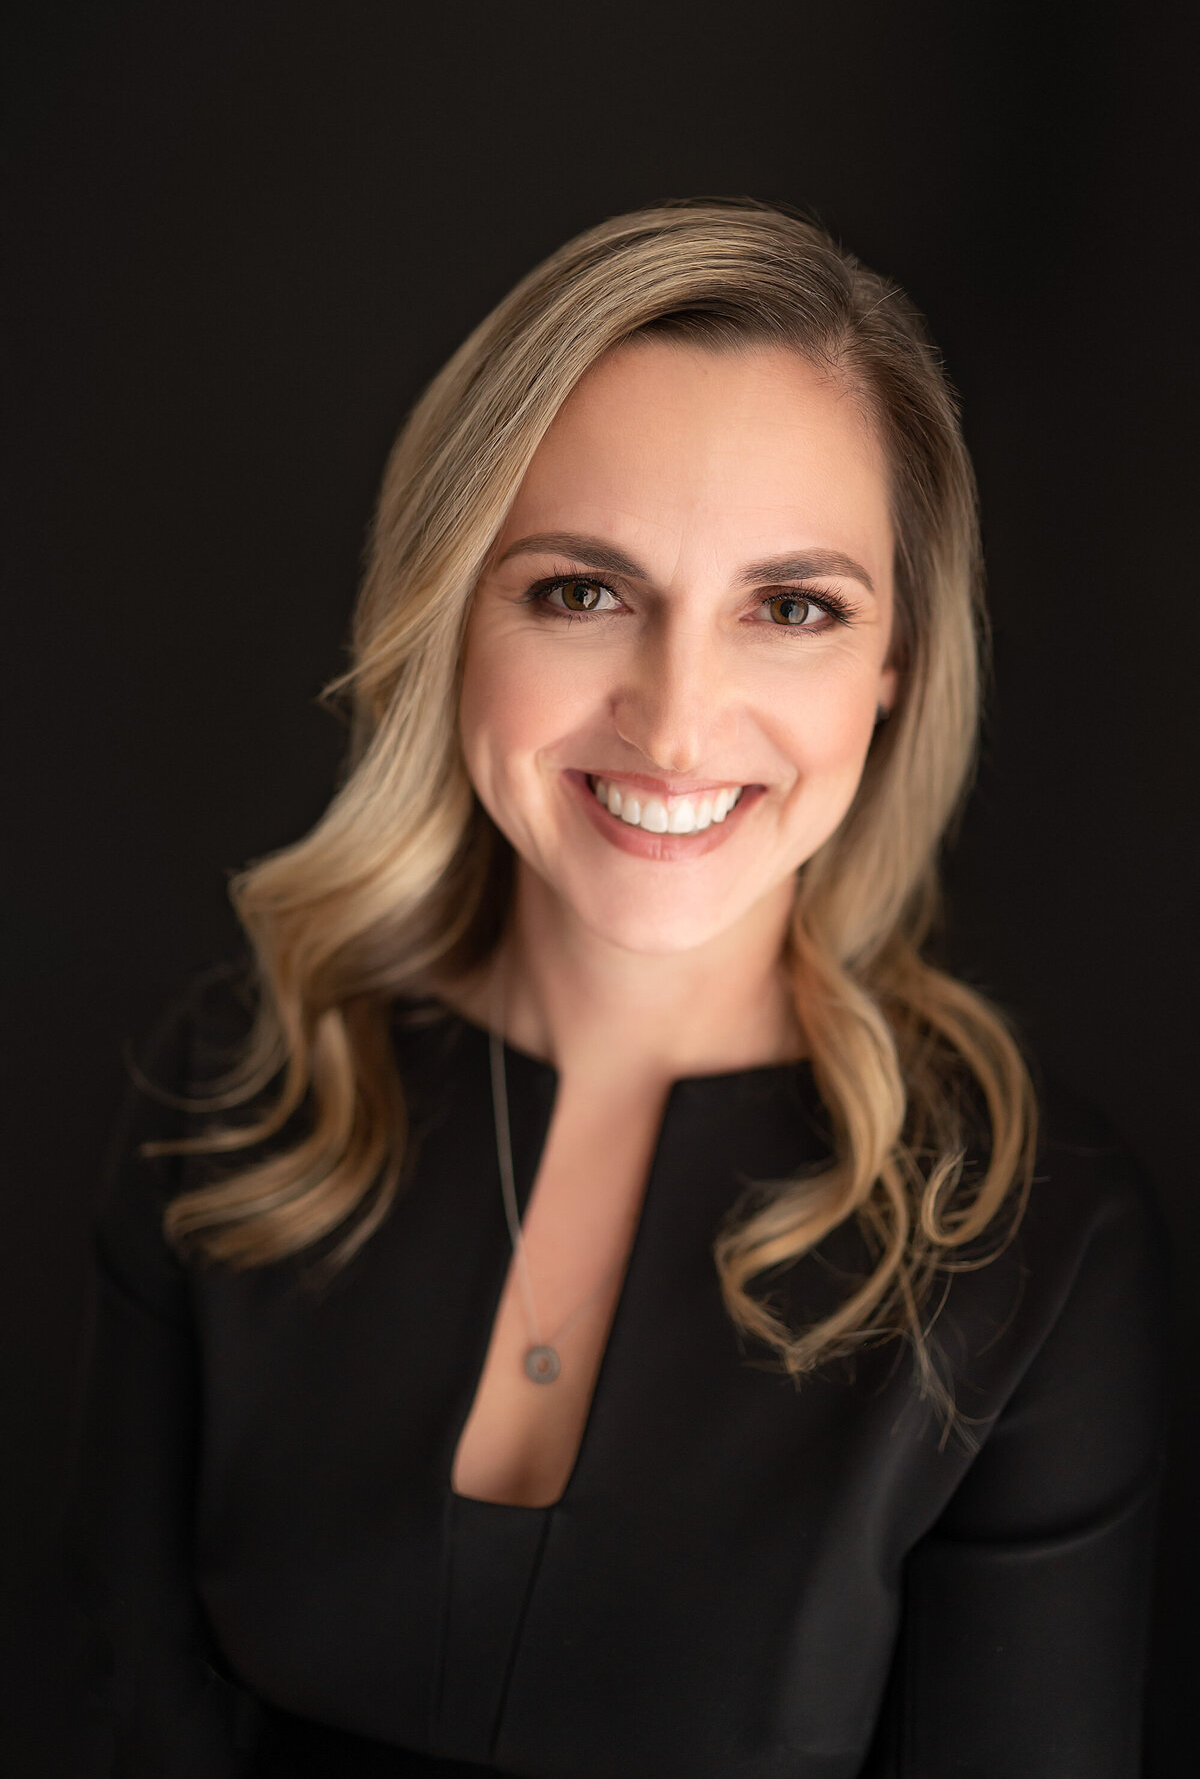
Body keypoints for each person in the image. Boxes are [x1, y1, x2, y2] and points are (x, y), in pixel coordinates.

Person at [69, 198, 1171, 1778]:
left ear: (896, 671)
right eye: (582, 590)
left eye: (792, 609)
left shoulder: (1039, 1236)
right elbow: (107, 1713)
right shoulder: (236, 1084)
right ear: (453, 614)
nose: (674, 723)